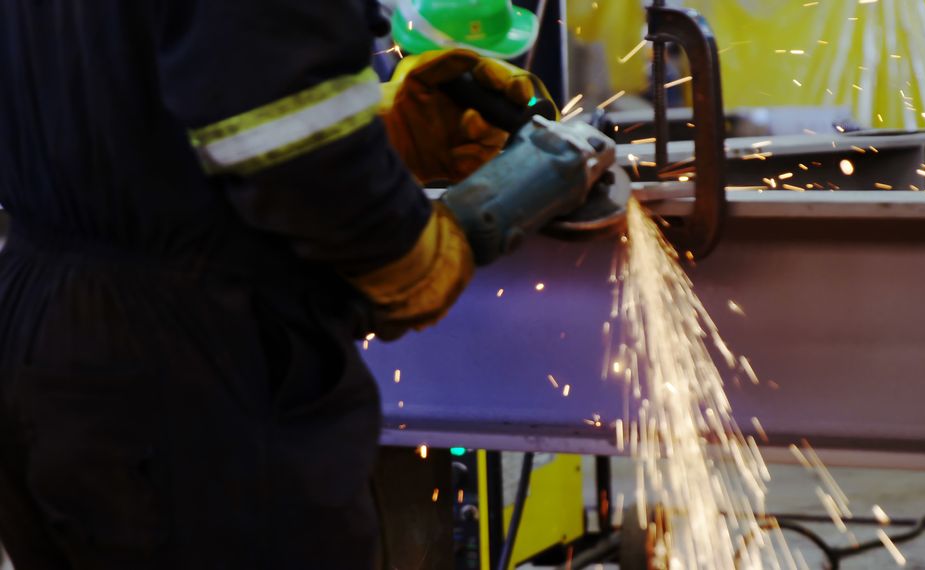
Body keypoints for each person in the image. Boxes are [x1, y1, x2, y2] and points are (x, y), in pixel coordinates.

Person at [0, 1, 561, 568]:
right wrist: (404, 248)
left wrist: (380, 137)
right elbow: (287, 132)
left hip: (48, 324)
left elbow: (145, 112)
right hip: (189, 370)